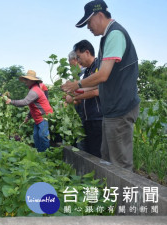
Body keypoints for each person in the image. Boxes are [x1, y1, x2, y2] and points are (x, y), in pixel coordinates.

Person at [62, 0, 140, 170]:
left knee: (120, 164)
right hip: (112, 109)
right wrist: (77, 89)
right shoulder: (107, 37)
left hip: (121, 107)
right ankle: (108, 195)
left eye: (88, 22)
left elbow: (103, 75)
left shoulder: (115, 34)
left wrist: (77, 84)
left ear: (99, 15)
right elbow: (105, 82)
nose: (88, 27)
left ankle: (123, 197)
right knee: (106, 158)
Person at [66, 40, 103, 158]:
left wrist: (74, 97)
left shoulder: (98, 67)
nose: (78, 60)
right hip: (88, 118)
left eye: (79, 57)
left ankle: (98, 176)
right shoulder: (87, 71)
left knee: (96, 154)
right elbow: (84, 90)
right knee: (89, 153)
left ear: (87, 52)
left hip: (98, 117)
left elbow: (97, 91)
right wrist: (72, 93)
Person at [6, 70, 53, 152]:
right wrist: (28, 116)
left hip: (44, 116)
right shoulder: (33, 89)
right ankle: (39, 153)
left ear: (32, 80)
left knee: (42, 136)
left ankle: (46, 155)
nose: (25, 82)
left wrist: (11, 101)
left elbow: (25, 102)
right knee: (36, 136)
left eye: (26, 80)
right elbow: (33, 106)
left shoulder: (35, 91)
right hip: (38, 117)